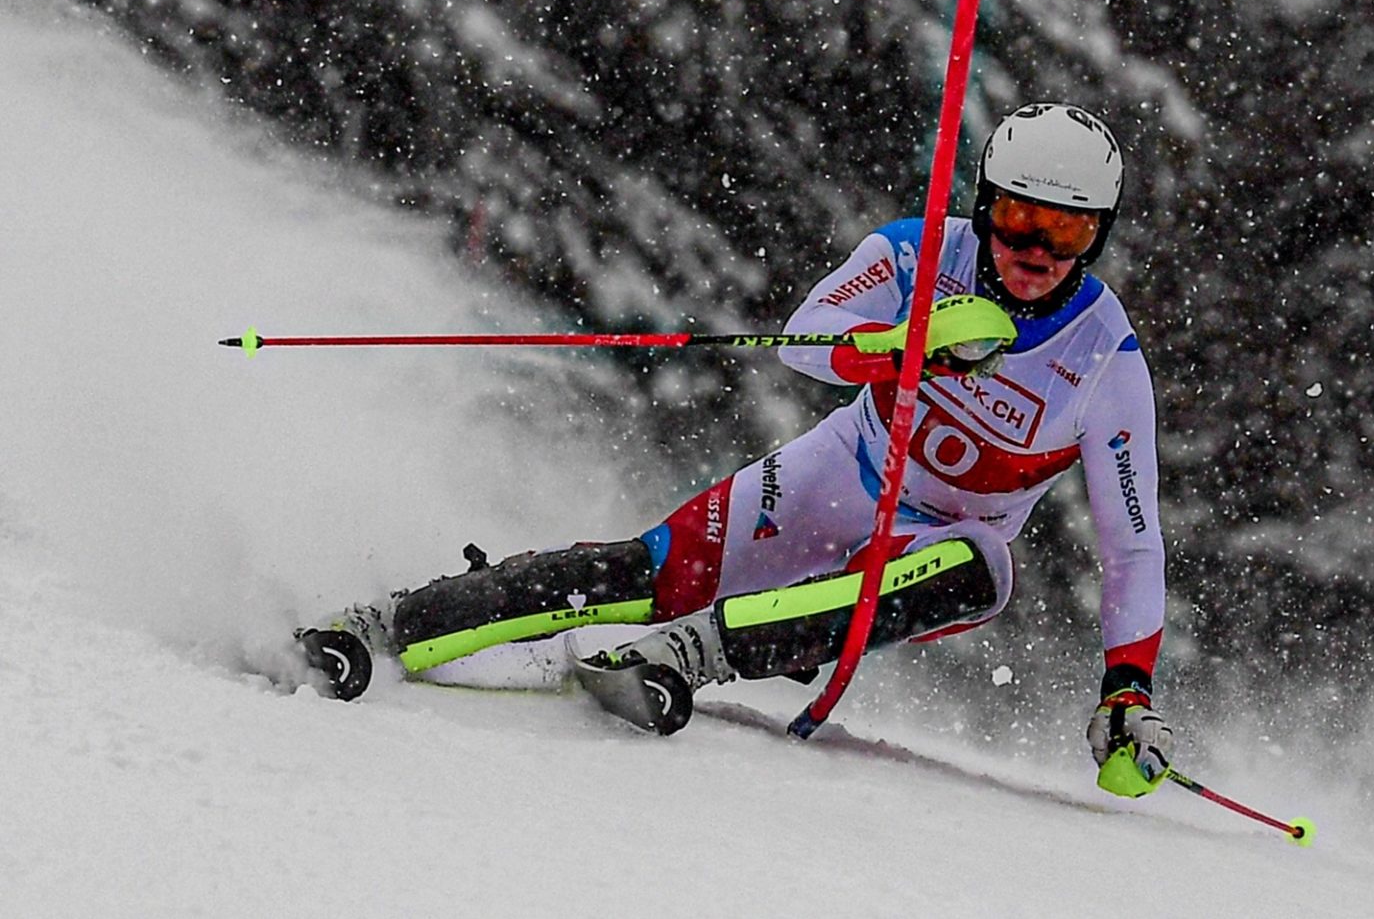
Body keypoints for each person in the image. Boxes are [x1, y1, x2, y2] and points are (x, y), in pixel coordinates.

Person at [301, 102, 1174, 796]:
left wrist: (1127, 691)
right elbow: (804, 337)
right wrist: (905, 340)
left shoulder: (1106, 358)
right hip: (839, 473)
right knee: (650, 572)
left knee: (985, 567)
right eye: (1019, 219)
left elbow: (1130, 541)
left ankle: (693, 653)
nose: (1035, 252)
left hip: (927, 540)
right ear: (986, 205)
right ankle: (384, 625)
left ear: (1096, 236)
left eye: (1067, 232)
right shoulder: (918, 253)